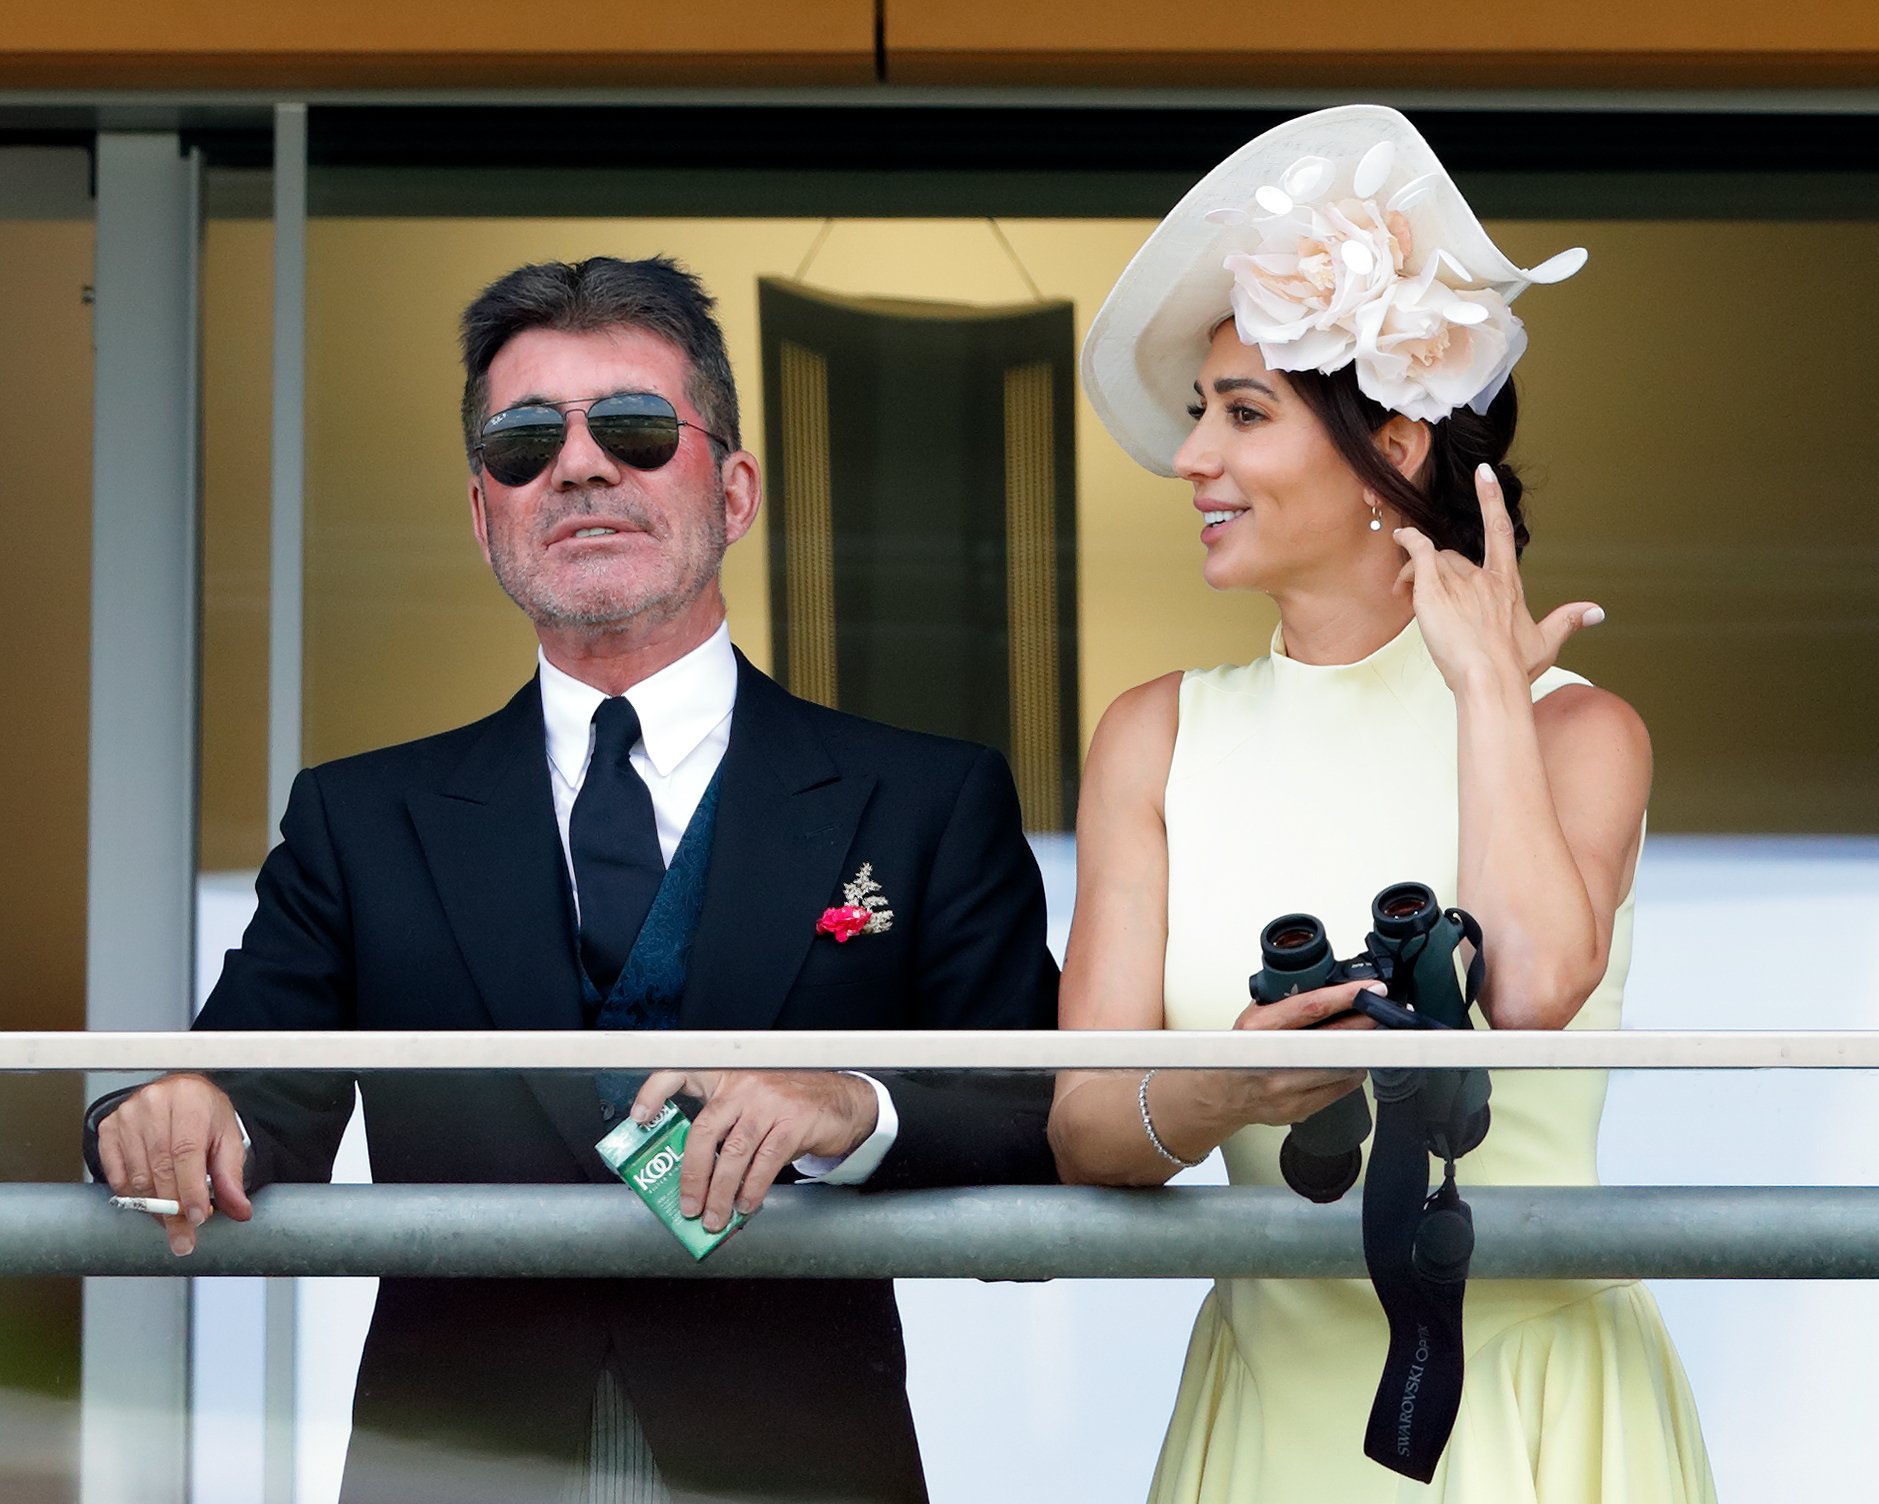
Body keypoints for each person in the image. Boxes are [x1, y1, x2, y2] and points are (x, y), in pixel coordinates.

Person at [84, 255, 1059, 1504]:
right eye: (524, 441)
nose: (583, 467)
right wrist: (157, 1114)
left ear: (736, 489)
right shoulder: (361, 818)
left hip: (800, 1460)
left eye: (639, 431)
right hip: (454, 1463)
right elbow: (237, 1101)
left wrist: (853, 1105)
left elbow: (1039, 1110)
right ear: (483, 510)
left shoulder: (926, 798)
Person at [1049, 105, 1715, 1501]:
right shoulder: (1149, 738)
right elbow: (1081, 1123)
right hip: (1269, 1396)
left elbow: (1526, 990)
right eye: (1196, 418)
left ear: (1394, 447)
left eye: (1240, 415)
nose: (1191, 464)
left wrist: (1482, 688)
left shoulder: (1575, 730)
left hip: (1539, 1408)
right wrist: (1226, 1085)